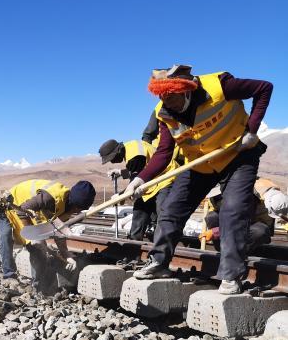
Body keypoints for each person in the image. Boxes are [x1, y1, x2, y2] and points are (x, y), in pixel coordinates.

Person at [130, 65, 273, 295]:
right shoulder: (163, 113)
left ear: (186, 89)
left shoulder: (221, 86)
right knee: (171, 209)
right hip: (200, 162)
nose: (167, 101)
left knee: (232, 211)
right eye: (162, 96)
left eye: (171, 96)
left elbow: (264, 88)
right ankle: (158, 263)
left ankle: (231, 276)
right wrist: (141, 178)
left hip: (238, 155)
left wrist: (252, 130)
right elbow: (164, 152)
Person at [0, 179, 96, 288]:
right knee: (6, 235)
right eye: (77, 207)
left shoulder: (68, 208)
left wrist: (66, 254)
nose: (77, 211)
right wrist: (33, 236)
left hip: (27, 214)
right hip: (10, 205)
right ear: (72, 201)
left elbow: (58, 230)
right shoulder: (50, 197)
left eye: (81, 209)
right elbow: (22, 210)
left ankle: (38, 286)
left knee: (37, 249)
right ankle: (9, 275)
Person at [99, 138, 177, 240]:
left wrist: (120, 196)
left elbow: (135, 183)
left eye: (112, 159)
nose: (112, 162)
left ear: (118, 151)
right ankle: (134, 244)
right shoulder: (131, 149)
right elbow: (141, 169)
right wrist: (120, 172)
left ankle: (163, 243)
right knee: (139, 212)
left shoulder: (135, 156)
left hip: (166, 179)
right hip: (150, 184)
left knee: (163, 213)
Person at [200, 184, 274, 253]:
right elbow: (217, 211)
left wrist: (215, 232)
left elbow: (239, 224)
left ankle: (239, 253)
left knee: (259, 231)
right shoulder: (216, 197)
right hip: (233, 221)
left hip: (252, 225)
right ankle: (223, 249)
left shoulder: (245, 198)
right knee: (212, 217)